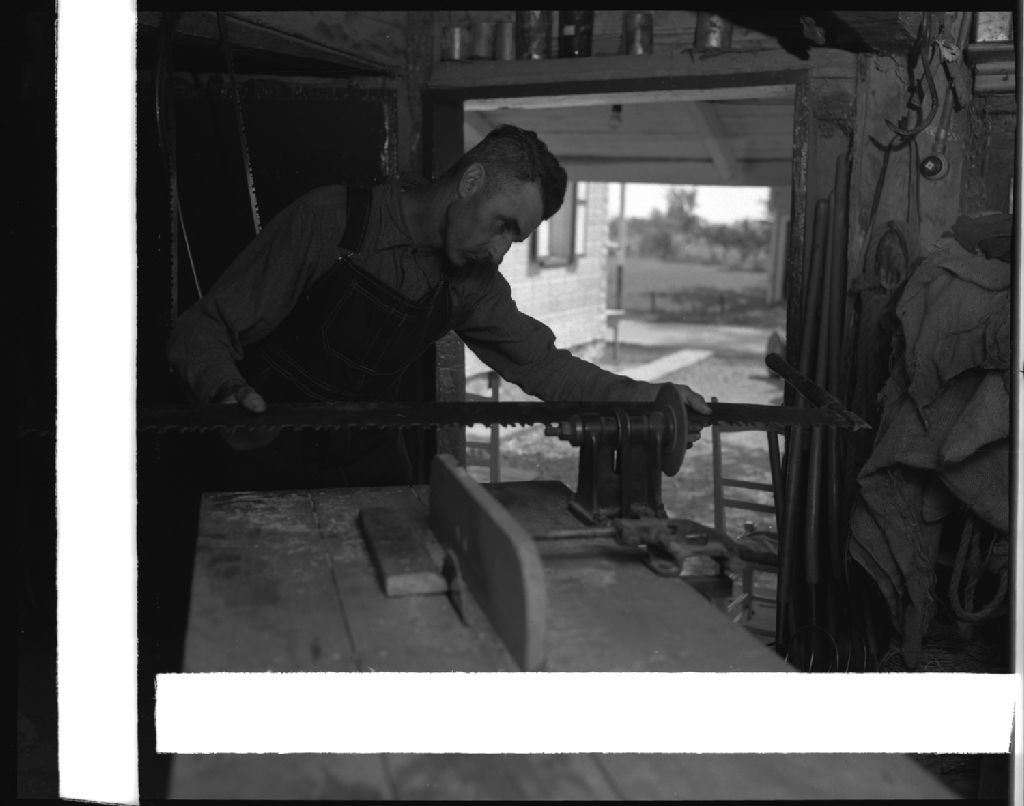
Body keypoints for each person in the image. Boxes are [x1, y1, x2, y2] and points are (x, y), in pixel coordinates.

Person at [167, 124, 711, 488]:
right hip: (267, 453)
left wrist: (644, 396)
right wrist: (226, 392)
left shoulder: (472, 284)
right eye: (502, 225)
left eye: (515, 239)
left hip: (370, 460)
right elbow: (201, 329)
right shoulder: (331, 221)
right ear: (471, 181)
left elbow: (543, 365)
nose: (499, 251)